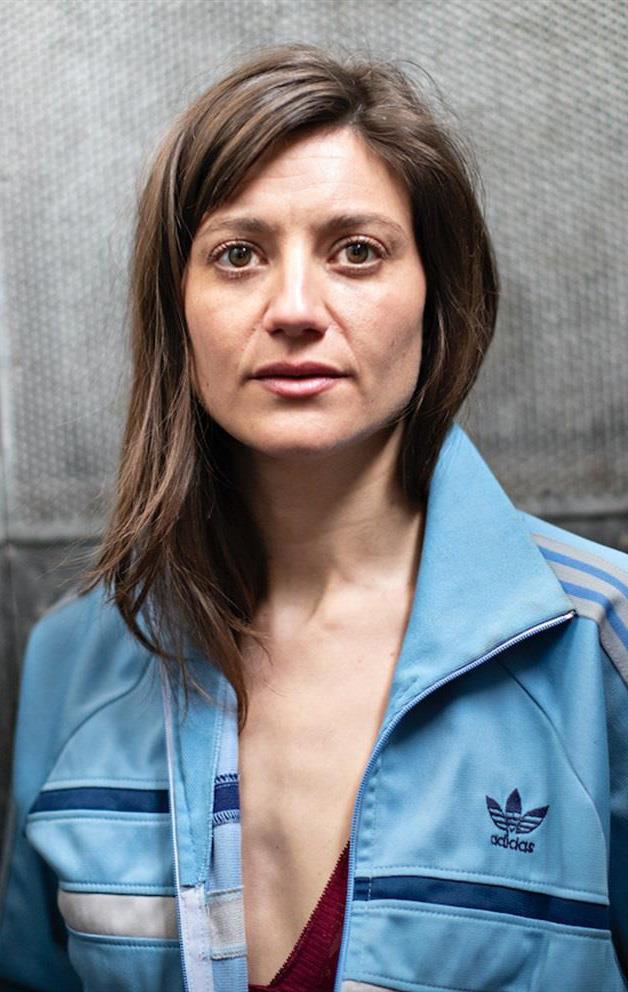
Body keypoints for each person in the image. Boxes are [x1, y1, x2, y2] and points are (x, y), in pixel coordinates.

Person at [0, 42, 626, 992]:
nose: (295, 308)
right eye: (238, 254)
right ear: (177, 308)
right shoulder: (75, 660)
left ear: (436, 294)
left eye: (357, 251)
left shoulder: (597, 644)